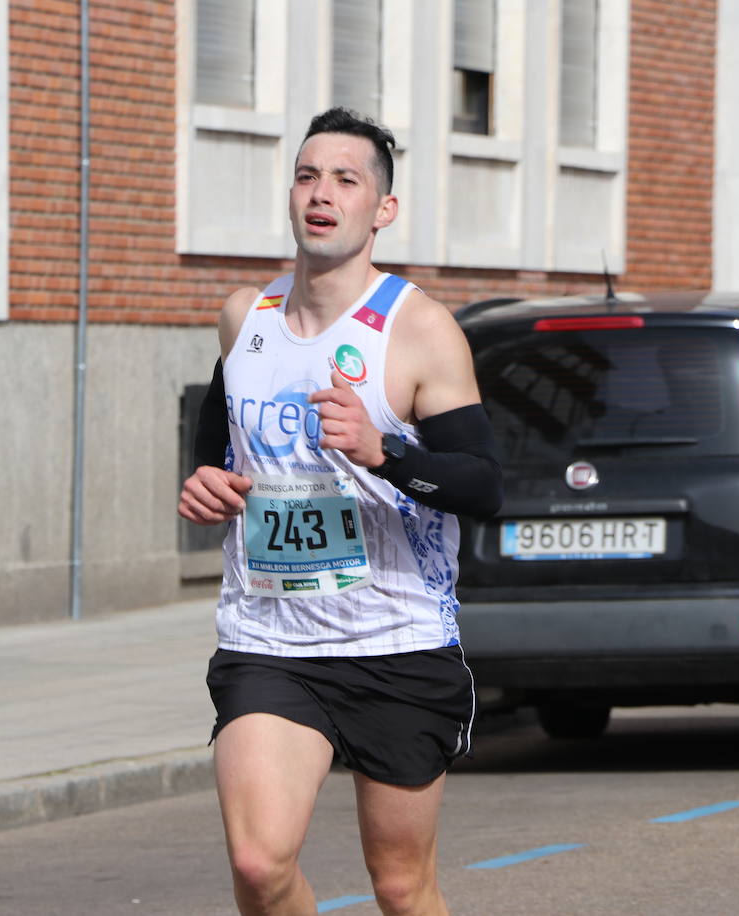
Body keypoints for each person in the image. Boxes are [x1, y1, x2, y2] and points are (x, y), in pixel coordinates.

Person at [178, 108, 503, 916]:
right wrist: (206, 482)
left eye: (345, 180)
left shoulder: (419, 330)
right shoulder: (244, 318)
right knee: (258, 865)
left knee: (400, 886)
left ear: (381, 208)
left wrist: (382, 452)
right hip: (268, 640)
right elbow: (218, 438)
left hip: (395, 641)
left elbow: (483, 485)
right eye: (307, 176)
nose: (321, 194)